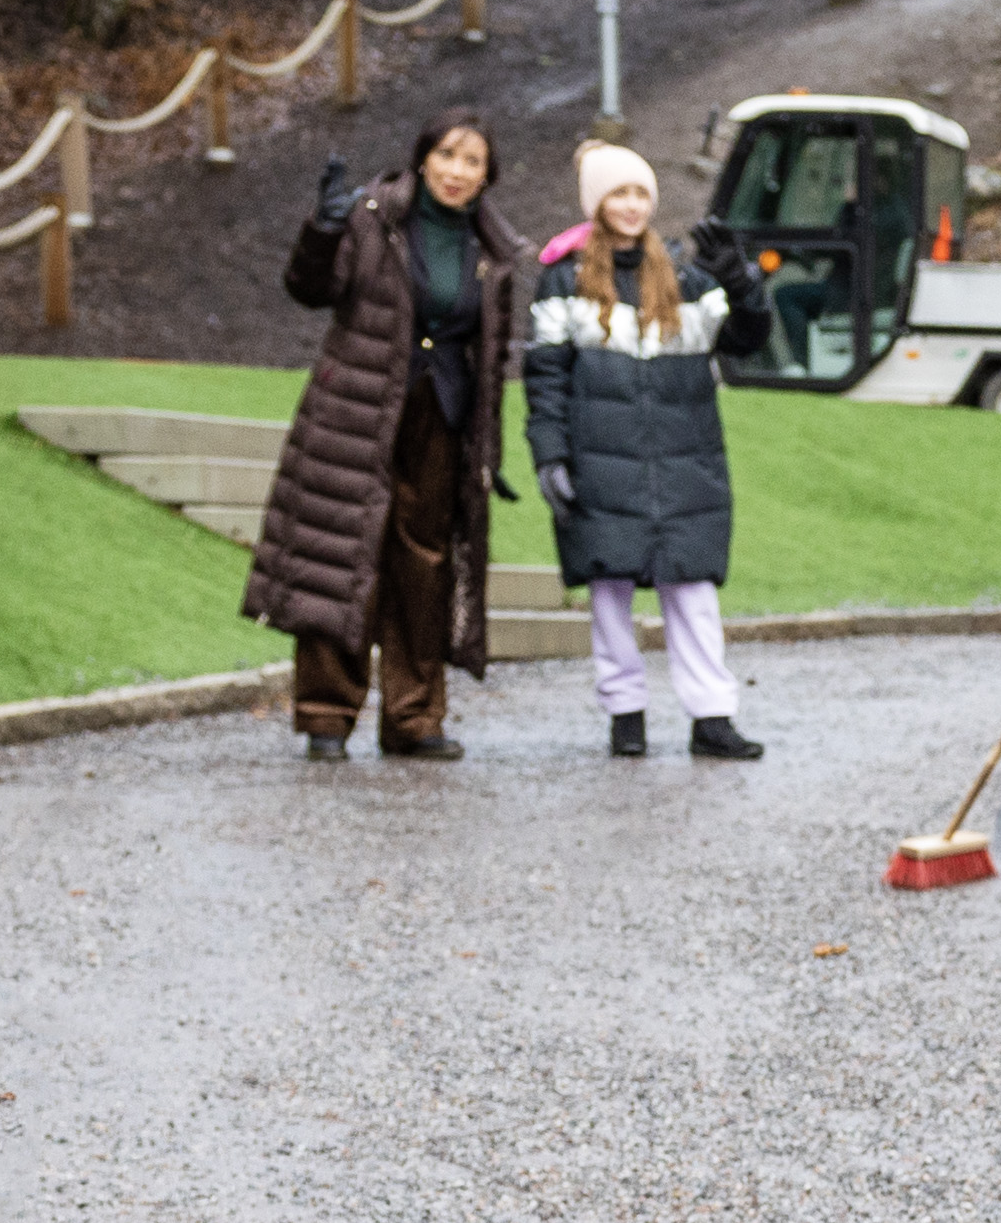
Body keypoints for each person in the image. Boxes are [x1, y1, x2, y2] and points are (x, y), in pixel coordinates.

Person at [249, 110, 519, 763]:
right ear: (423, 157)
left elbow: (491, 356)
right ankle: (325, 714)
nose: (457, 171)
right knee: (344, 555)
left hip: (442, 417)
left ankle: (414, 717)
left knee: (424, 566)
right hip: (359, 412)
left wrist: (487, 448)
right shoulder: (374, 218)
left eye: (472, 161)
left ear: (487, 176)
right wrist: (323, 228)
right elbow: (309, 289)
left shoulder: (493, 250)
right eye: (448, 155)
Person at [524, 144, 772, 762]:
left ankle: (712, 716)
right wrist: (550, 454)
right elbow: (545, 376)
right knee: (608, 590)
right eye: (618, 193)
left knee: (692, 593)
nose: (631, 206)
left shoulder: (690, 281)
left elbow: (749, 337)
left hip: (684, 463)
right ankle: (624, 713)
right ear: (597, 203)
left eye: (640, 194)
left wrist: (739, 279)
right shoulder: (563, 281)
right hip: (601, 460)